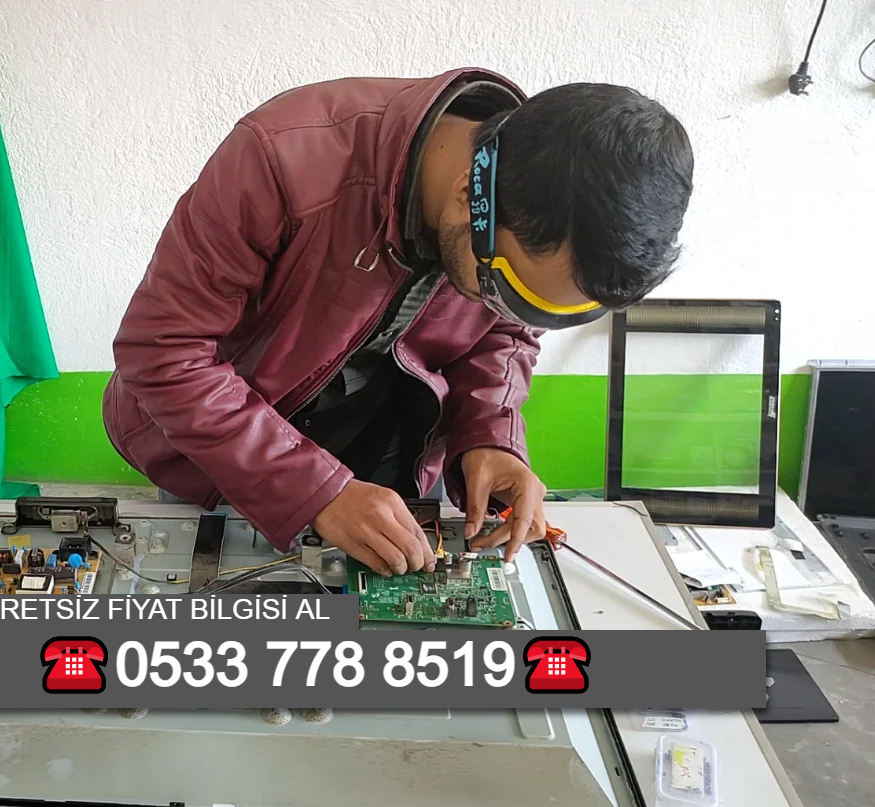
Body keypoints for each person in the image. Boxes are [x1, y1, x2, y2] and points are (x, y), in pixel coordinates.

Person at [102, 67, 693, 576]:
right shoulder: (281, 158)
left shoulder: (534, 205)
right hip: (228, 460)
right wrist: (315, 490)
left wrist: (491, 437)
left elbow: (505, 334)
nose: (514, 313)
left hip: (396, 457)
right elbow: (164, 352)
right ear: (467, 196)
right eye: (505, 290)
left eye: (542, 308)